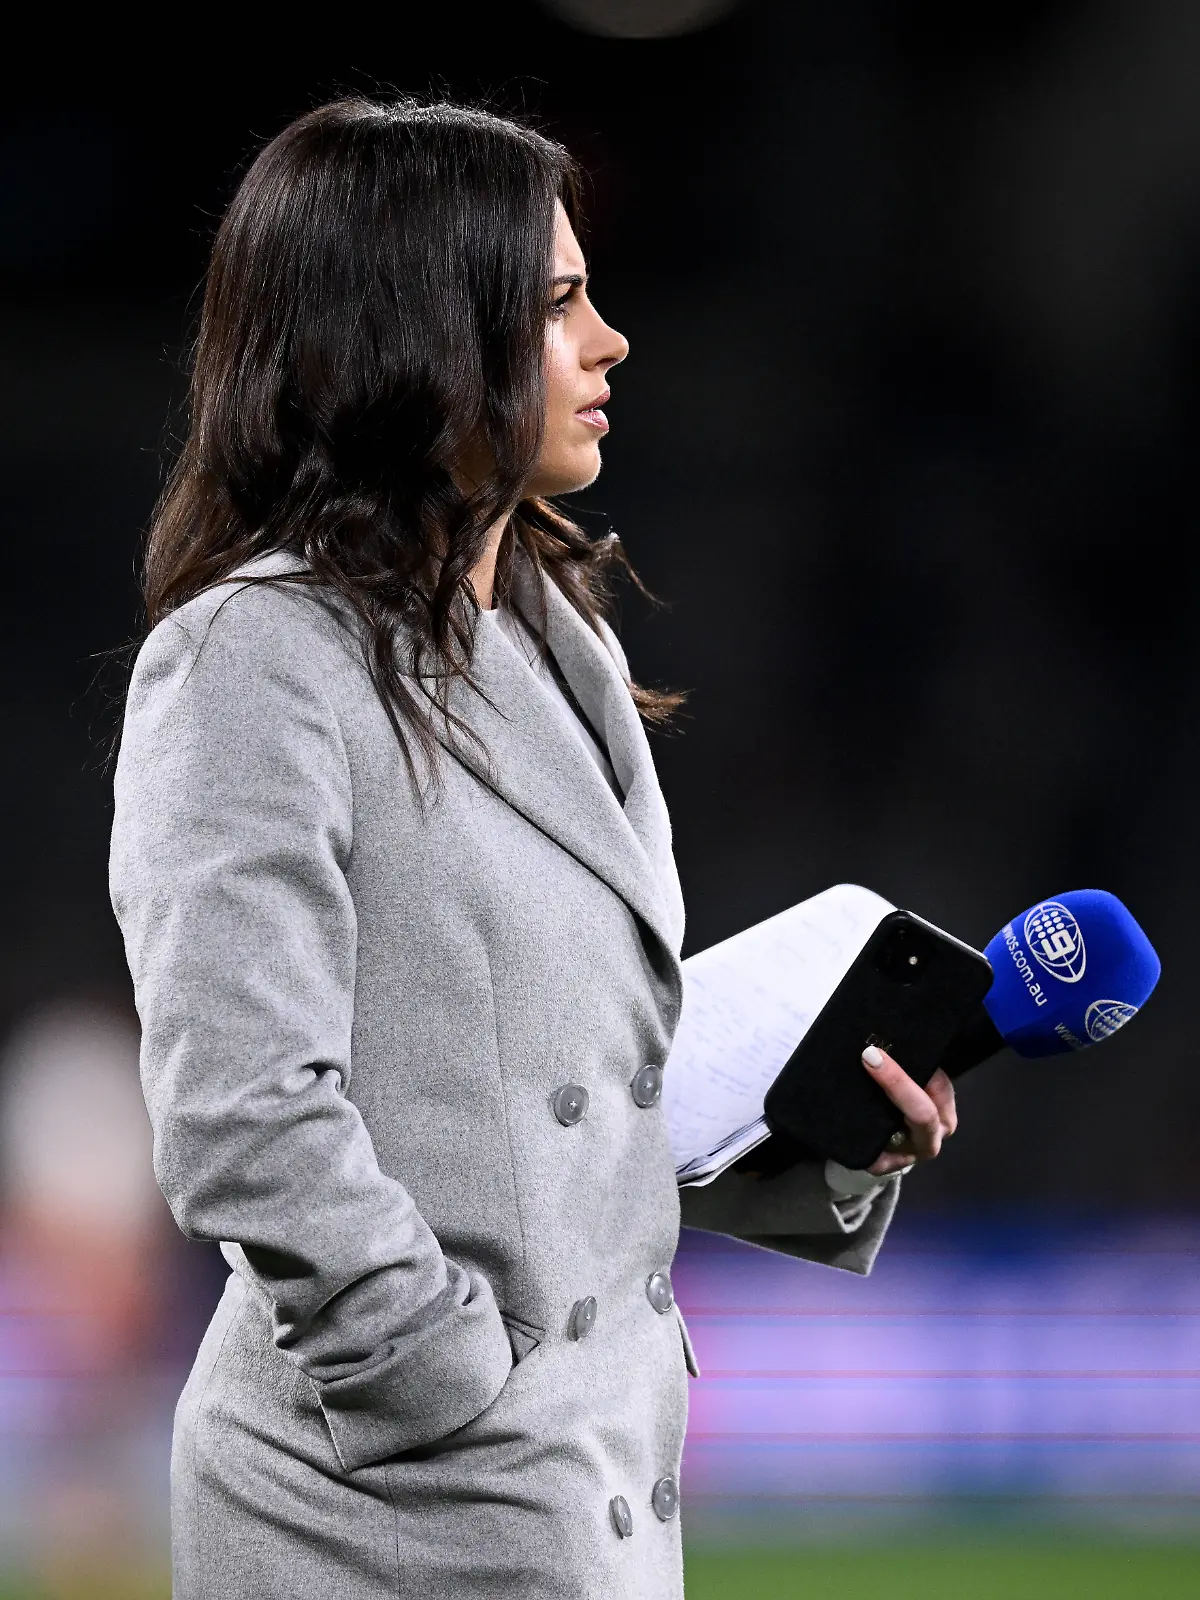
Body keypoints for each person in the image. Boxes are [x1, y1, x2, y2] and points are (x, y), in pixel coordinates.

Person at [109, 97, 957, 1600]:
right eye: (560, 304)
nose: (610, 340)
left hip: (591, 1486)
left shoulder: (556, 637)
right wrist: (444, 1382)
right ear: (413, 334)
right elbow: (241, 1107)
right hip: (378, 1516)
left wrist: (829, 1137)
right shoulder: (251, 658)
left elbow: (584, 1098)